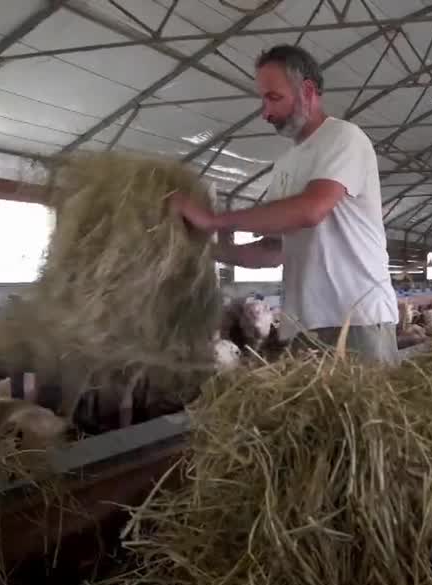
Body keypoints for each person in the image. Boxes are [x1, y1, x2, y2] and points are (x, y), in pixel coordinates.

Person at [171, 44, 400, 364]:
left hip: (355, 320)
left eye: (273, 97)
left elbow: (311, 210)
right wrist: (204, 250)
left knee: (371, 414)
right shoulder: (284, 166)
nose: (265, 112)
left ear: (307, 91)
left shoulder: (344, 138)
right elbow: (274, 250)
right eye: (263, 99)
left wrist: (213, 220)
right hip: (303, 327)